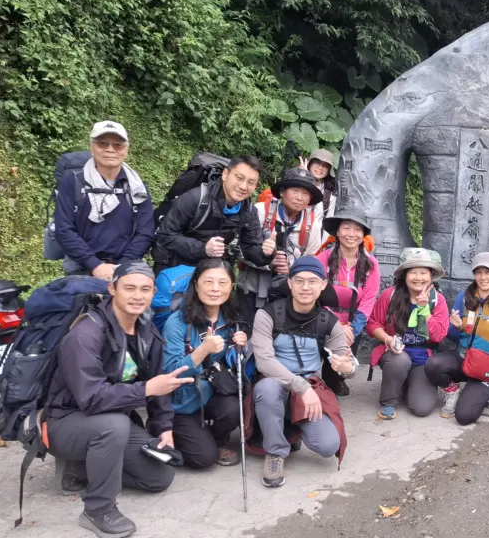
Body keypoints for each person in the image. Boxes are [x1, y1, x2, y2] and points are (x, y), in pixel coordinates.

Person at [45, 261, 190, 538]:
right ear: (112, 289)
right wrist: (145, 389)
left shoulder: (147, 332)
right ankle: (98, 509)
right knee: (114, 426)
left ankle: (79, 469)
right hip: (64, 422)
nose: (138, 295)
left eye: (145, 289)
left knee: (159, 477)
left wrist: (164, 428)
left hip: (109, 420)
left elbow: (160, 383)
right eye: (130, 288)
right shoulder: (85, 334)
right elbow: (91, 398)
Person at [250, 256, 356, 488]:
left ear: (322, 285)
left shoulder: (329, 322)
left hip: (308, 387)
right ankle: (276, 452)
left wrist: (346, 368)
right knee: (266, 388)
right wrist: (301, 386)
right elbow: (264, 362)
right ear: (289, 283)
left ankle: (289, 426)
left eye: (312, 281)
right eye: (299, 280)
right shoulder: (267, 315)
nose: (305, 287)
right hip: (276, 383)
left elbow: (348, 362)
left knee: (328, 446)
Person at [162, 259, 249, 469]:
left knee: (234, 409)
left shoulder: (230, 318)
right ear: (196, 284)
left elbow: (232, 362)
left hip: (212, 393)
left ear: (231, 286)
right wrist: (202, 351)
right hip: (182, 404)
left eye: (223, 282)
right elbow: (170, 373)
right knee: (203, 460)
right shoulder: (177, 322)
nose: (216, 289)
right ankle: (166, 430)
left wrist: (240, 347)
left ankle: (214, 441)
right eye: (208, 282)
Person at [426, 252, 489, 424]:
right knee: (432, 365)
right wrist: (456, 326)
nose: (483, 277)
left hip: (488, 365)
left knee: (464, 416)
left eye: (488, 272)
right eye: (478, 272)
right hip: (464, 357)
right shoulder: (465, 297)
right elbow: (453, 337)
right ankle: (453, 391)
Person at [53, 121, 155, 279]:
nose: (110, 150)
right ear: (92, 147)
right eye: (102, 144)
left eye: (118, 145)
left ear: (126, 150)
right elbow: (64, 229)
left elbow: (146, 232)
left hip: (126, 267)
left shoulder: (137, 187)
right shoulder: (72, 181)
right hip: (80, 267)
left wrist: (122, 267)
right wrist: (94, 265)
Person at [155, 155, 278, 271]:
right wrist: (203, 249)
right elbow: (165, 235)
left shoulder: (248, 211)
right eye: (239, 178)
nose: (243, 186)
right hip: (174, 270)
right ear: (225, 174)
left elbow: (251, 249)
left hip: (212, 275)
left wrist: (265, 253)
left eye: (251, 183)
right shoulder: (195, 198)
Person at [366, 247, 449, 420]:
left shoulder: (437, 300)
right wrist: (387, 338)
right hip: (396, 354)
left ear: (431, 275)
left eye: (423, 272)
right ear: (405, 275)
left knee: (422, 408)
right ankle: (388, 402)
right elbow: (373, 323)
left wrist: (425, 311)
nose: (418, 278)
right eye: (413, 272)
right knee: (400, 361)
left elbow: (439, 335)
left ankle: (406, 383)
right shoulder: (391, 295)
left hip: (422, 358)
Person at [237, 167, 325, 322]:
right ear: (283, 192)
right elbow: (237, 247)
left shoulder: (313, 226)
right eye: (295, 191)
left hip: (286, 295)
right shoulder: (259, 212)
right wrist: (268, 262)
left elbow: (310, 260)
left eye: (305, 193)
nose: (299, 197)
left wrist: (291, 268)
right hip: (249, 289)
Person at [315, 209, 381, 396]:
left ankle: (335, 382)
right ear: (337, 232)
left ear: (363, 235)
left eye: (357, 229)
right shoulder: (323, 259)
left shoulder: (371, 264)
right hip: (323, 316)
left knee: (339, 365)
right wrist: (337, 326)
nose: (351, 234)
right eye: (346, 228)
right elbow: (315, 295)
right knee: (319, 358)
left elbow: (368, 299)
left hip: (353, 322)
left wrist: (352, 328)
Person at [304, 149, 338, 220]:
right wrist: (304, 176)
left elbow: (329, 220)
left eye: (325, 165)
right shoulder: (295, 183)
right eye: (317, 162)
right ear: (309, 164)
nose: (320, 167)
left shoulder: (330, 193)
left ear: (329, 170)